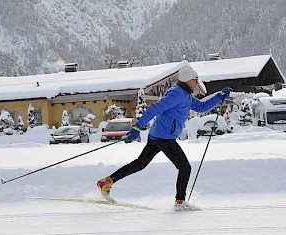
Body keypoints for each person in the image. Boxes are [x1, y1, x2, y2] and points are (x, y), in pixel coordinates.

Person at [97, 65, 232, 210]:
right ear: (187, 79)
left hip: (159, 135)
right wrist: (137, 127)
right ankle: (180, 202)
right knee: (184, 167)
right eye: (195, 79)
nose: (197, 82)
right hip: (164, 137)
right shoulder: (176, 94)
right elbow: (154, 108)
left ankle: (108, 181)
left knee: (141, 163)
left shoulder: (186, 95)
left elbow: (201, 107)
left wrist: (219, 96)